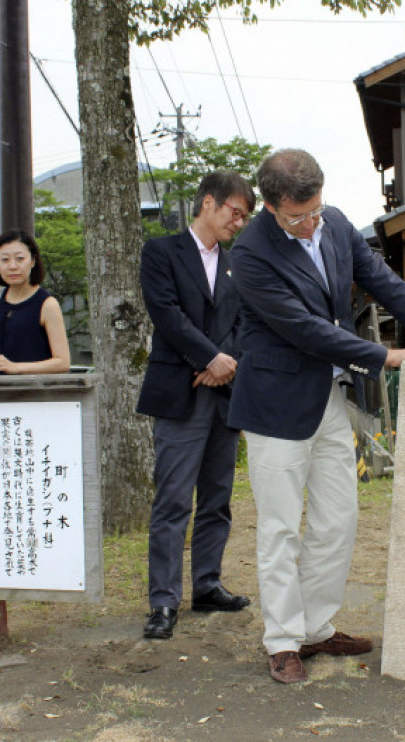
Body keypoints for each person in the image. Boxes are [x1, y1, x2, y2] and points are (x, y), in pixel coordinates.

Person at [228, 148, 405, 684]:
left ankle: (317, 627)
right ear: (271, 207)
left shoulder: (337, 224)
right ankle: (283, 640)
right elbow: (301, 327)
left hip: (328, 398)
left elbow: (386, 284)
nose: (309, 224)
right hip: (274, 403)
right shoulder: (250, 252)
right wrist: (386, 356)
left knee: (339, 519)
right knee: (281, 529)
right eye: (296, 217)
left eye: (315, 211)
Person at [136, 171, 256, 640]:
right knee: (172, 501)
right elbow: (165, 313)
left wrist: (226, 364)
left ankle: (207, 584)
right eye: (235, 212)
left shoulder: (237, 263)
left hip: (224, 394)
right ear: (209, 203)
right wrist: (210, 357)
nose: (240, 223)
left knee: (217, 498)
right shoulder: (162, 252)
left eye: (245, 217)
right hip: (179, 392)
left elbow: (247, 322)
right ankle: (163, 602)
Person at [0, 230, 70, 376]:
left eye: (20, 259)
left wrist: (14, 367)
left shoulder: (47, 304)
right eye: (5, 260)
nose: (12, 266)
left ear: (32, 261)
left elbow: (62, 362)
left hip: (32, 394)